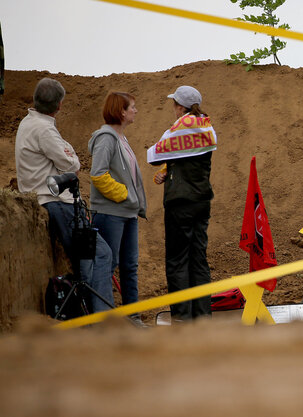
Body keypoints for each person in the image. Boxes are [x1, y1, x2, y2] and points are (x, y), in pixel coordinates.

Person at [15, 78, 114, 313]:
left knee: (87, 260)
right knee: (100, 255)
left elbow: (65, 161)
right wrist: (70, 156)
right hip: (59, 203)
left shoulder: (28, 124)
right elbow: (72, 165)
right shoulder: (44, 129)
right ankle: (103, 320)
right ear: (59, 105)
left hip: (51, 201)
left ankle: (91, 316)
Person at [149, 86, 215, 321]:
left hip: (180, 202)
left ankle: (182, 318)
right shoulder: (207, 126)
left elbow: (154, 155)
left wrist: (165, 166)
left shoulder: (178, 128)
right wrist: (170, 169)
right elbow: (191, 158)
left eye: (174, 104)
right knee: (198, 259)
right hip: (202, 200)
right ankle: (203, 316)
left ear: (180, 106)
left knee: (177, 260)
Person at [88, 92, 147, 324]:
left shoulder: (121, 138)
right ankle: (104, 320)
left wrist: (130, 202)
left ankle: (133, 318)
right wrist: (124, 195)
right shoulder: (106, 138)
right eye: (132, 107)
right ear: (121, 111)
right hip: (111, 213)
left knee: (129, 266)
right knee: (107, 265)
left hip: (127, 213)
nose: (136, 111)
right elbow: (98, 174)